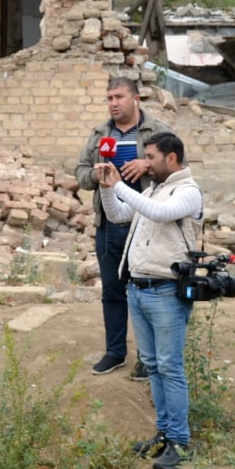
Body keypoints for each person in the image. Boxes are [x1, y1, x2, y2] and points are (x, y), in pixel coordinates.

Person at [97, 132, 203, 469]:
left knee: (170, 367)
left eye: (152, 157)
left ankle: (180, 442)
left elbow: (158, 213)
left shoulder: (188, 192)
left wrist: (122, 186)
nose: (147, 163)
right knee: (154, 366)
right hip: (139, 290)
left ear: (171, 159)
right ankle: (165, 433)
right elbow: (117, 215)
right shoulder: (153, 190)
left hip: (166, 293)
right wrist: (106, 186)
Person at [75, 77, 174, 378]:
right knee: (113, 292)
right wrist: (96, 176)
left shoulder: (157, 131)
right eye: (109, 98)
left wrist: (148, 165)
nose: (113, 103)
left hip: (147, 227)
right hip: (109, 225)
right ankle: (115, 352)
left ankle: (149, 358)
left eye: (119, 97)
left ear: (136, 99)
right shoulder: (100, 135)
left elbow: (177, 167)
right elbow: (79, 173)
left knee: (148, 292)